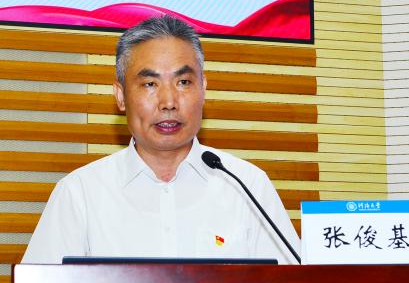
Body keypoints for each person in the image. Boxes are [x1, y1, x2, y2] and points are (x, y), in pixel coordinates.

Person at [21, 14, 300, 264]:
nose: (168, 102)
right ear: (120, 96)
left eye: (183, 82)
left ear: (203, 89)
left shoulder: (248, 187)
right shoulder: (79, 193)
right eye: (150, 84)